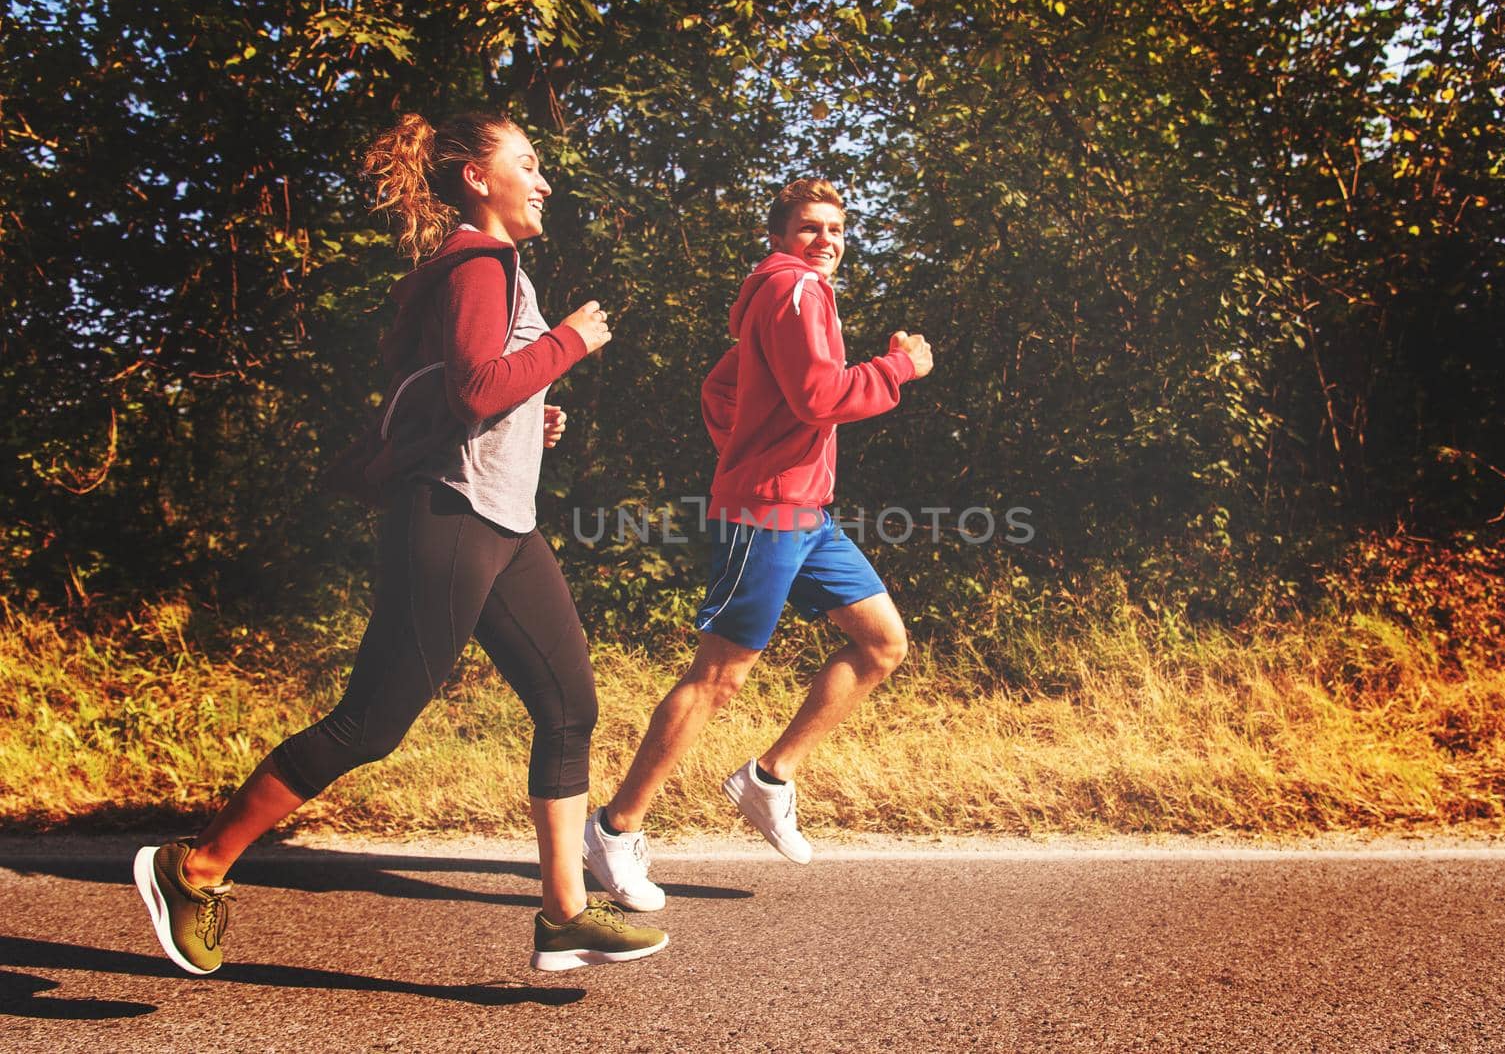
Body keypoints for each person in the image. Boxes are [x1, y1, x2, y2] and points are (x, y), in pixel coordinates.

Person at [133, 111, 667, 975]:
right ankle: (192, 868)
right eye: (526, 165)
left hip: (504, 517)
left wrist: (535, 416)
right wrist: (570, 342)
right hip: (451, 516)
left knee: (569, 708)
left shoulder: (496, 267)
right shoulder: (479, 263)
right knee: (373, 722)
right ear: (476, 179)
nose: (543, 182)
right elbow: (472, 390)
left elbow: (489, 392)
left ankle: (565, 914)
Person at [582, 178, 934, 910]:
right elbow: (819, 396)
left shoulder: (778, 297)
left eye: (836, 229)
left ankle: (768, 777)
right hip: (770, 514)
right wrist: (900, 368)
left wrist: (753, 448)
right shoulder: (798, 290)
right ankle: (615, 830)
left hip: (808, 512)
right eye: (810, 227)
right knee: (719, 678)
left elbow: (720, 394)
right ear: (779, 235)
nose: (826, 241)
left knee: (881, 643)